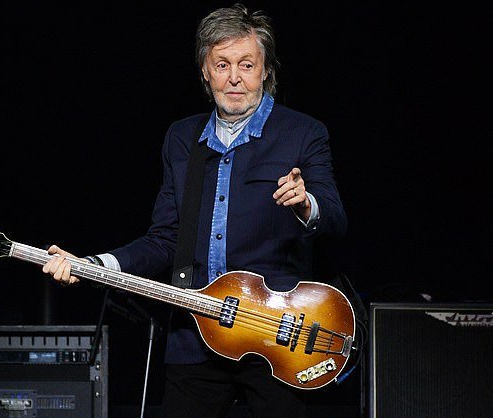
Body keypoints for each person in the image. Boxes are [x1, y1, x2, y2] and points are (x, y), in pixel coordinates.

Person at [43, 4, 347, 417]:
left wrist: (306, 203)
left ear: (265, 70)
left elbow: (335, 218)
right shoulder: (182, 138)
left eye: (246, 65)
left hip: (277, 338)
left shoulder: (303, 132)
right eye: (222, 65)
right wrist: (95, 264)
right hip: (195, 337)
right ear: (206, 71)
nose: (234, 77)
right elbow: (164, 240)